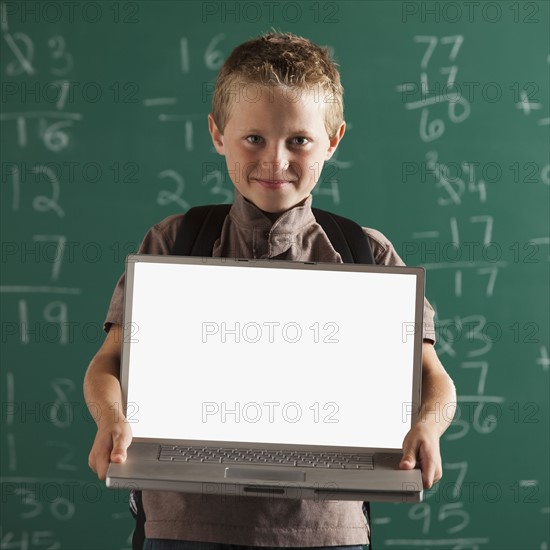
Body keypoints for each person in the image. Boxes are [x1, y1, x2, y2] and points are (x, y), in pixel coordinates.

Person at [84, 32, 457, 550]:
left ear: (333, 140)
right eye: (253, 138)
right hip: (183, 524)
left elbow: (433, 377)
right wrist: (110, 418)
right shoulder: (172, 243)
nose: (275, 161)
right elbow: (108, 363)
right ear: (218, 134)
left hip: (325, 531)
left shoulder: (363, 252)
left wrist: (429, 428)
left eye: (298, 140)